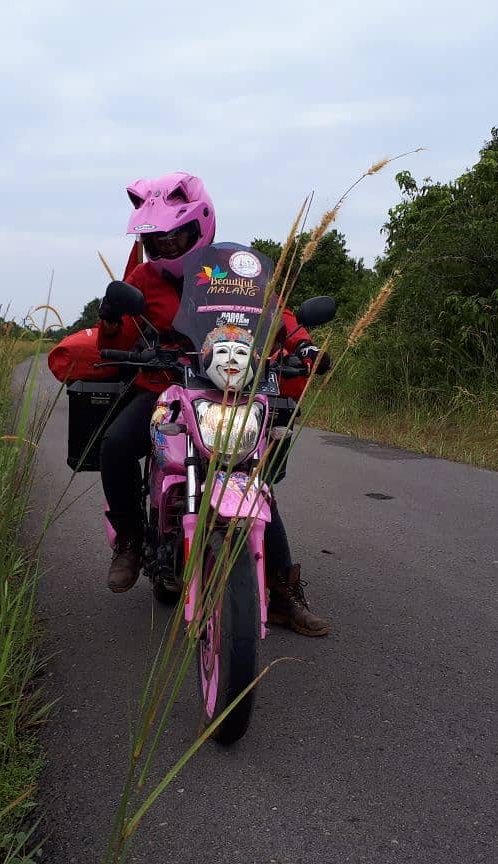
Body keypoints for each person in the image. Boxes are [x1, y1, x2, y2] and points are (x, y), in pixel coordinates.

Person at [96, 171, 330, 637]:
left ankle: (282, 594)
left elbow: (274, 310)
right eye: (155, 238)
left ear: (200, 223)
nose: (164, 245)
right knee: (116, 446)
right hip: (164, 387)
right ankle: (129, 541)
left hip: (228, 387)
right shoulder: (143, 277)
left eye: (174, 235)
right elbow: (117, 336)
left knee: (251, 474)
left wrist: (303, 346)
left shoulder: (232, 266)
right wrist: (111, 317)